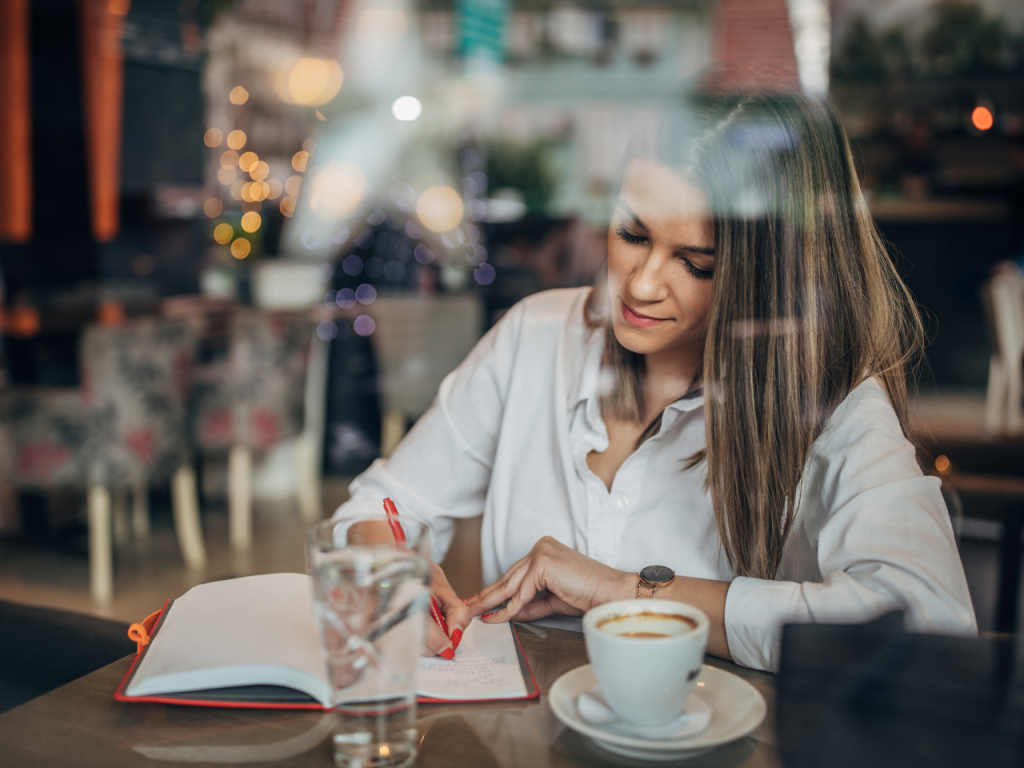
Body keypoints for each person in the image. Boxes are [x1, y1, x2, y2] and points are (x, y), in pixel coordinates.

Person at [333, 86, 977, 672]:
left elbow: (928, 625)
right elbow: (382, 506)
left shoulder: (826, 393)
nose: (640, 285)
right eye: (632, 233)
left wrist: (628, 593)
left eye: (696, 264)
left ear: (766, 279)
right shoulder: (535, 337)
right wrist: (391, 568)